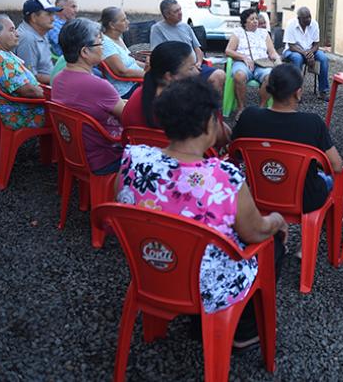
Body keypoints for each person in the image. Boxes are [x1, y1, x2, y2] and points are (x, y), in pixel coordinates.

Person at [116, 76, 286, 349]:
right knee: (273, 244)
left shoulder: (132, 159)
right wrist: (277, 221)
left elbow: (124, 203)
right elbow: (255, 232)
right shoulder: (224, 178)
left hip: (150, 269)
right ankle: (244, 330)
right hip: (208, 288)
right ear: (210, 123)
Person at [232, 64, 343, 212]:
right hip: (305, 199)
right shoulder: (313, 123)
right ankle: (326, 223)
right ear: (298, 93)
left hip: (257, 194)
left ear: (269, 89)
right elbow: (336, 166)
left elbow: (235, 154)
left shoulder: (248, 116)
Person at [121, 41, 232, 149]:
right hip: (185, 163)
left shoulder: (137, 95)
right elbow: (221, 139)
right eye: (191, 67)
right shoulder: (188, 103)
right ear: (169, 76)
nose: (198, 72)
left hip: (142, 157)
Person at [52, 18, 125, 174]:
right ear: (85, 52)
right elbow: (130, 116)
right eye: (100, 43)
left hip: (76, 153)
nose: (103, 48)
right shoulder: (97, 86)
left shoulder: (58, 79)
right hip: (105, 156)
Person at [0, 14, 46, 129]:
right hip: (21, 113)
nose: (17, 34)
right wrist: (56, 98)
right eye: (11, 30)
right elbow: (29, 91)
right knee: (68, 114)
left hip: (15, 108)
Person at [149, 0, 225, 94]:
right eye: (176, 11)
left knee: (220, 75)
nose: (180, 13)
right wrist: (188, 66)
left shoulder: (185, 26)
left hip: (195, 65)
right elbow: (158, 54)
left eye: (180, 9)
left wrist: (198, 62)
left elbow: (198, 49)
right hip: (177, 68)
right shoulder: (157, 29)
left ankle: (212, 107)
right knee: (194, 81)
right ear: (167, 15)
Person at [225, 8, 282, 117]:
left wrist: (277, 58)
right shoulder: (238, 33)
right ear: (245, 22)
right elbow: (228, 51)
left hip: (262, 64)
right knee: (239, 76)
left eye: (256, 18)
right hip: (243, 63)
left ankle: (261, 109)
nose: (256, 21)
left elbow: (271, 52)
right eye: (252, 19)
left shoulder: (264, 33)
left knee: (270, 77)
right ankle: (241, 108)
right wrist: (244, 57)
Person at [282, 6, 329, 100]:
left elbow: (316, 44)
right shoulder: (291, 24)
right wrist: (305, 53)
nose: (308, 19)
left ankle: (323, 91)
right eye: (305, 18)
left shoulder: (314, 24)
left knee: (324, 58)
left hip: (310, 50)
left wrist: (310, 53)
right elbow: (291, 46)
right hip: (293, 50)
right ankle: (295, 91)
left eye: (309, 16)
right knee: (297, 58)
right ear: (299, 18)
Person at [100, 6, 145, 99]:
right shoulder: (107, 44)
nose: (128, 22)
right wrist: (151, 75)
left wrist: (153, 66)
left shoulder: (118, 38)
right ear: (112, 25)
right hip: (127, 89)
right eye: (123, 20)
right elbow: (122, 72)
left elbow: (131, 61)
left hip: (136, 81)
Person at [14, 0, 60, 84]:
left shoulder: (40, 31)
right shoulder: (28, 39)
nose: (53, 18)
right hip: (42, 91)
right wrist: (61, 81)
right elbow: (30, 76)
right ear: (34, 17)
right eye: (48, 14)